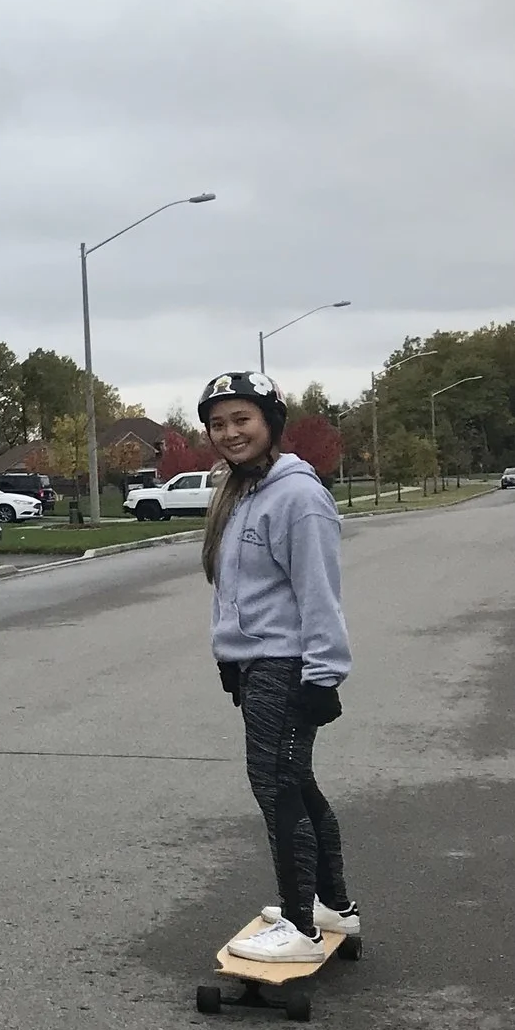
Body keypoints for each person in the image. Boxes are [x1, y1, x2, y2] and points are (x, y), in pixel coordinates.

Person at [199, 372, 359, 963]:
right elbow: (241, 591)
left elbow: (319, 592)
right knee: (294, 781)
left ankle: (299, 927)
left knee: (277, 787)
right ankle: (331, 906)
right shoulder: (242, 490)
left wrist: (323, 675)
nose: (230, 432)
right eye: (218, 423)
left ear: (270, 422)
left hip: (287, 666)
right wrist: (231, 655)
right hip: (258, 662)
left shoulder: (296, 496)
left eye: (242, 419)